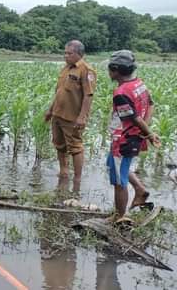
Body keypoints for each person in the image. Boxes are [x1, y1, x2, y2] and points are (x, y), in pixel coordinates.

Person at [106, 50, 159, 223]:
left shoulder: (121, 93)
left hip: (123, 140)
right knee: (117, 166)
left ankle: (120, 216)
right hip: (133, 136)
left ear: (115, 70)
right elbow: (150, 104)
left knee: (119, 181)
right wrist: (145, 129)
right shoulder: (139, 84)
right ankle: (140, 189)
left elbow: (133, 118)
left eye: (110, 68)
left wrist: (148, 133)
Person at [44, 40, 96, 193]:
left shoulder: (86, 70)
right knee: (59, 144)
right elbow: (59, 91)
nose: (65, 56)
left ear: (79, 54)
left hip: (72, 117)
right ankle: (64, 171)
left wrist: (82, 117)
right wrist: (50, 110)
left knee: (75, 147)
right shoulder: (66, 68)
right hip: (58, 114)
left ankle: (78, 178)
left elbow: (88, 95)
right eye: (65, 53)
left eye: (69, 53)